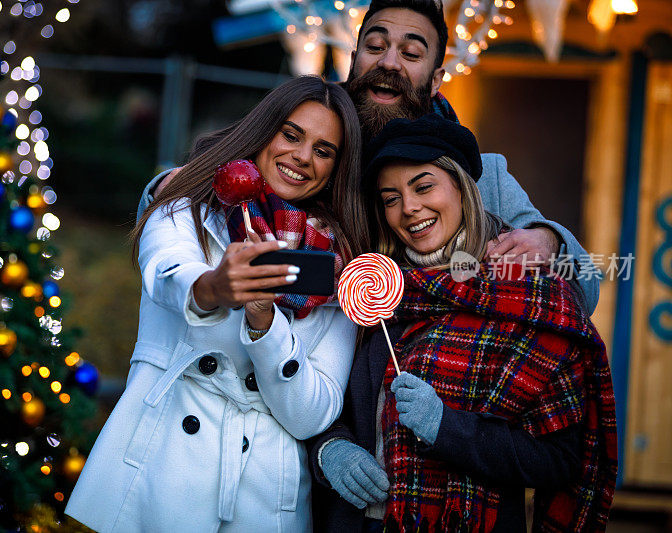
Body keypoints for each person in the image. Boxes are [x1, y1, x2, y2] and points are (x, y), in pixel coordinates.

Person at [137, 0, 600, 316]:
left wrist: (549, 241)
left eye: (411, 53)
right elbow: (179, 212)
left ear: (436, 78)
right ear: (355, 58)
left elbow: (585, 285)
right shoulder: (314, 150)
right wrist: (181, 184)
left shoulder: (483, 174)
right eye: (376, 47)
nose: (390, 63)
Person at [65, 76, 365, 531]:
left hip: (264, 494)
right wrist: (215, 288)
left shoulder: (341, 268)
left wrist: (266, 328)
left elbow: (313, 414)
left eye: (324, 151)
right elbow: (165, 272)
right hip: (163, 466)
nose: (303, 157)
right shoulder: (184, 209)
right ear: (264, 132)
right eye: (291, 134)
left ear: (336, 168)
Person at [310, 115, 617, 532]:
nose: (409, 208)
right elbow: (322, 400)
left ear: (461, 187)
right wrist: (331, 449)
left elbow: (560, 461)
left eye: (423, 186)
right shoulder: (375, 286)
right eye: (390, 198)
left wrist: (447, 427)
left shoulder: (530, 293)